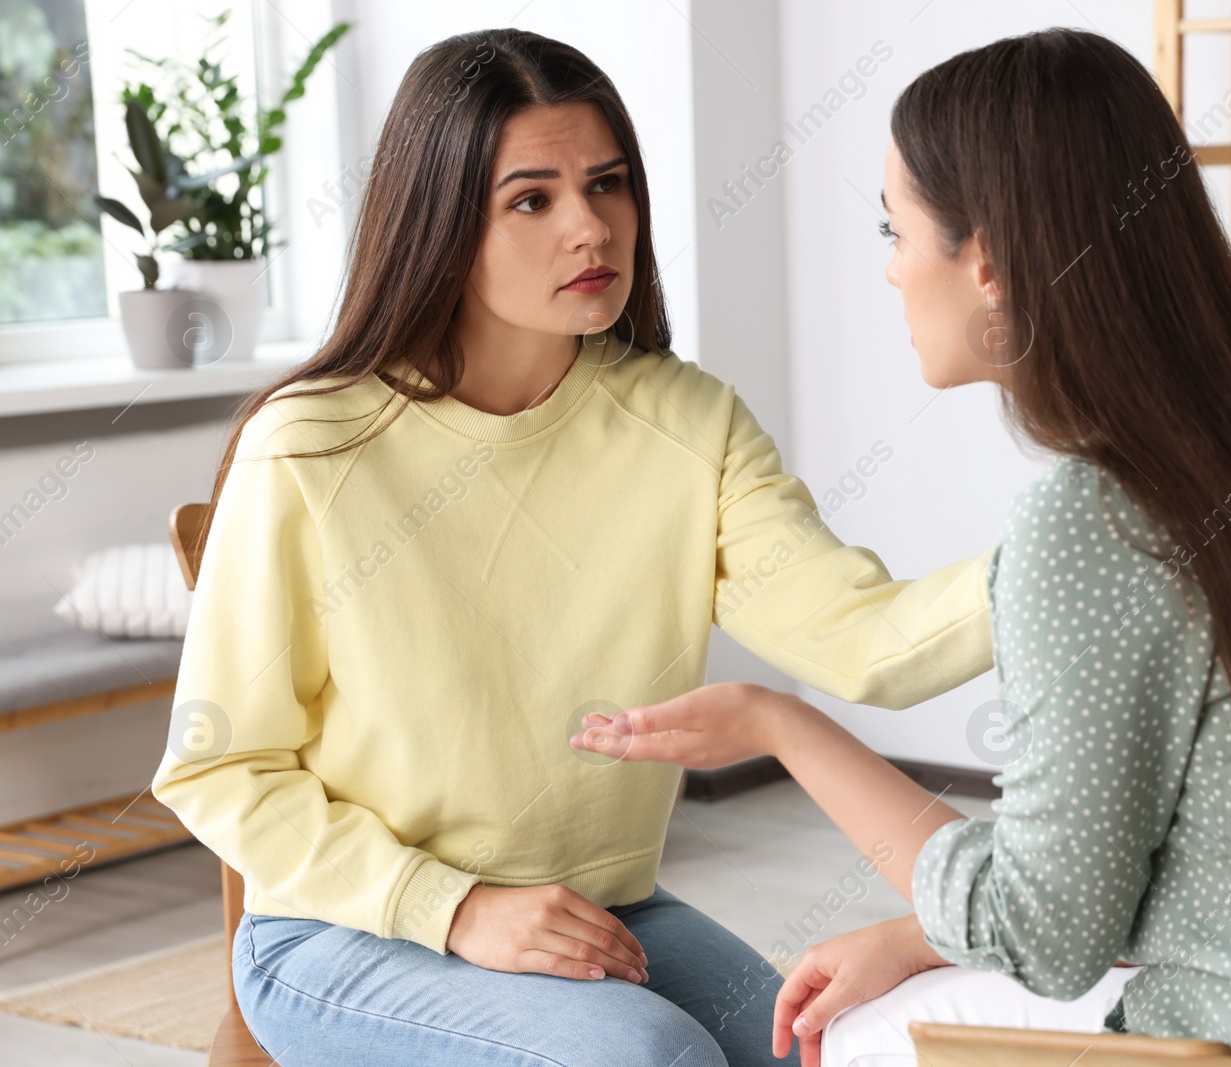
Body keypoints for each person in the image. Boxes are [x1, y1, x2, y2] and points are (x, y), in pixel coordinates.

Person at [571, 28, 1231, 1067]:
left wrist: (782, 723)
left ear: (986, 258)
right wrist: (919, 936)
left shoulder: (1087, 522)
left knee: (845, 1036)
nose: (892, 271)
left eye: (892, 230)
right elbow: (1182, 855)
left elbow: (1042, 937)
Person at [149, 28, 996, 1067]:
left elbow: (868, 641)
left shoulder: (686, 423)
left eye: (607, 184)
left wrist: (1090, 552)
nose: (590, 227)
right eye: (532, 198)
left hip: (596, 908)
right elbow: (219, 767)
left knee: (825, 1047)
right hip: (343, 931)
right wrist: (452, 905)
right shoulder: (313, 444)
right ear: (441, 219)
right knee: (644, 1054)